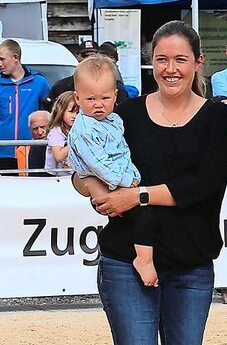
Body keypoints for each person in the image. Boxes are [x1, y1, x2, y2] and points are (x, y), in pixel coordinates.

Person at [82, 21, 227, 345]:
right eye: (162, 59)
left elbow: (204, 186)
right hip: (125, 260)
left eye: (180, 59)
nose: (170, 69)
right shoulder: (124, 113)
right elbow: (85, 164)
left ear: (198, 63)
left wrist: (137, 195)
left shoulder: (217, 118)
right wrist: (95, 191)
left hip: (191, 264)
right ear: (152, 63)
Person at [67, 56, 157, 286]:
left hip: (120, 176)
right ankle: (144, 260)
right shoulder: (84, 129)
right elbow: (97, 163)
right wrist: (126, 180)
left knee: (139, 214)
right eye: (90, 99)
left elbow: (121, 151)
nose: (98, 104)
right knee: (142, 212)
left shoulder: (114, 120)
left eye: (105, 98)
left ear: (115, 95)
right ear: (77, 98)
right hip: (109, 179)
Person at [0, 38, 51, 171]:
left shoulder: (39, 83)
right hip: (3, 151)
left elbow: (49, 115)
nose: (0, 64)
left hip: (31, 150)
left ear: (15, 58)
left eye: (2, 59)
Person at [43, 39, 130, 111]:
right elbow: (50, 112)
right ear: (78, 57)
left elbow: (124, 112)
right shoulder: (61, 86)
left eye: (93, 55)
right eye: (85, 55)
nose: (89, 58)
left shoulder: (115, 86)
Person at [45, 91, 78, 172]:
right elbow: (58, 156)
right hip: (59, 176)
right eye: (71, 111)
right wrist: (77, 141)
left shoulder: (81, 129)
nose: (75, 116)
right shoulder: (56, 132)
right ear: (61, 111)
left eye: (78, 112)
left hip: (76, 174)